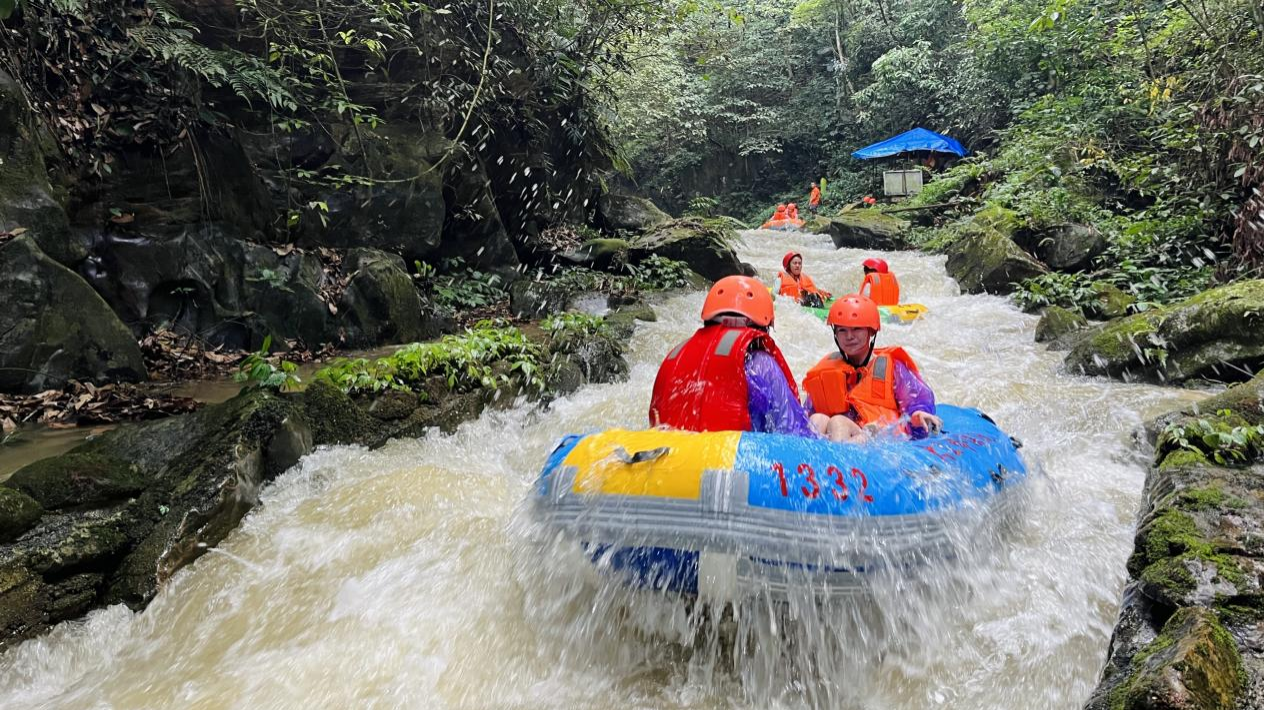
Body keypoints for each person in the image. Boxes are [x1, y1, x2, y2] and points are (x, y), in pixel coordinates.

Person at [650, 275, 815, 436]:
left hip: (672, 454)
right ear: (763, 324)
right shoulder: (761, 363)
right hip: (733, 457)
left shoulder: (677, 354)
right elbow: (790, 430)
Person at [802, 295, 941, 443]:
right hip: (845, 435)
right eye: (842, 330)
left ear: (872, 332)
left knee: (838, 422)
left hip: (878, 434)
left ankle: (838, 462)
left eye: (856, 329)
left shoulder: (893, 367)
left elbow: (916, 399)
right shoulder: (827, 370)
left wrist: (919, 414)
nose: (849, 336)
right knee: (818, 419)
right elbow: (808, 410)